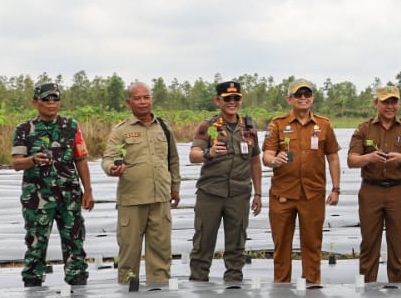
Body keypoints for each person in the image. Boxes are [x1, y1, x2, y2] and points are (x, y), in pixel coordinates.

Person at [11, 81, 95, 287]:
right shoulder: (24, 129)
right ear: (35, 102)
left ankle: (77, 279)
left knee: (74, 239)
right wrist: (32, 160)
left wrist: (88, 191)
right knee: (36, 242)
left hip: (69, 195)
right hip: (37, 197)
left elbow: (81, 159)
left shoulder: (71, 126)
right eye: (46, 99)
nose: (51, 103)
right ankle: (33, 281)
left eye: (55, 99)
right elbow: (16, 163)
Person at [261, 80, 341, 285]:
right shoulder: (277, 124)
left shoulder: (324, 124)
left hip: (312, 194)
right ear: (290, 99)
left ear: (312, 98)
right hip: (283, 194)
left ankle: (312, 287)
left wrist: (336, 188)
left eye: (307, 94)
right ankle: (282, 288)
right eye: (298, 95)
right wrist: (274, 161)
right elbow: (266, 155)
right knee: (281, 245)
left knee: (313, 245)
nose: (303, 98)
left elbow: (332, 156)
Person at [104, 82, 181, 285]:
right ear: (128, 102)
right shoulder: (120, 130)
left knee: (161, 250)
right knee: (129, 251)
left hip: (161, 198)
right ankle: (129, 296)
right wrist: (113, 169)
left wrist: (175, 188)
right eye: (137, 98)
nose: (142, 102)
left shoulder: (164, 127)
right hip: (132, 200)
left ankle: (159, 292)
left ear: (152, 99)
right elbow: (108, 159)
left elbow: (173, 160)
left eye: (146, 97)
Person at [346, 85, 401, 283]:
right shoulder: (364, 128)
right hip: (370, 190)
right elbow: (352, 160)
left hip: (398, 190)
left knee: (397, 242)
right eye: (385, 102)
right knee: (369, 242)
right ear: (376, 104)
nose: (390, 106)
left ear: (399, 103)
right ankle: (367, 286)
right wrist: (369, 157)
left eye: (394, 101)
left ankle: (395, 287)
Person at [187, 80, 263, 284]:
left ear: (241, 100)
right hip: (210, 193)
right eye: (227, 99)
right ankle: (198, 283)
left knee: (237, 243)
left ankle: (234, 285)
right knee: (203, 242)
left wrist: (258, 193)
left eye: (236, 98)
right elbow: (193, 155)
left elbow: (255, 161)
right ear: (217, 100)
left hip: (239, 194)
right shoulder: (209, 126)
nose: (232, 102)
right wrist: (208, 153)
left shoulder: (248, 128)